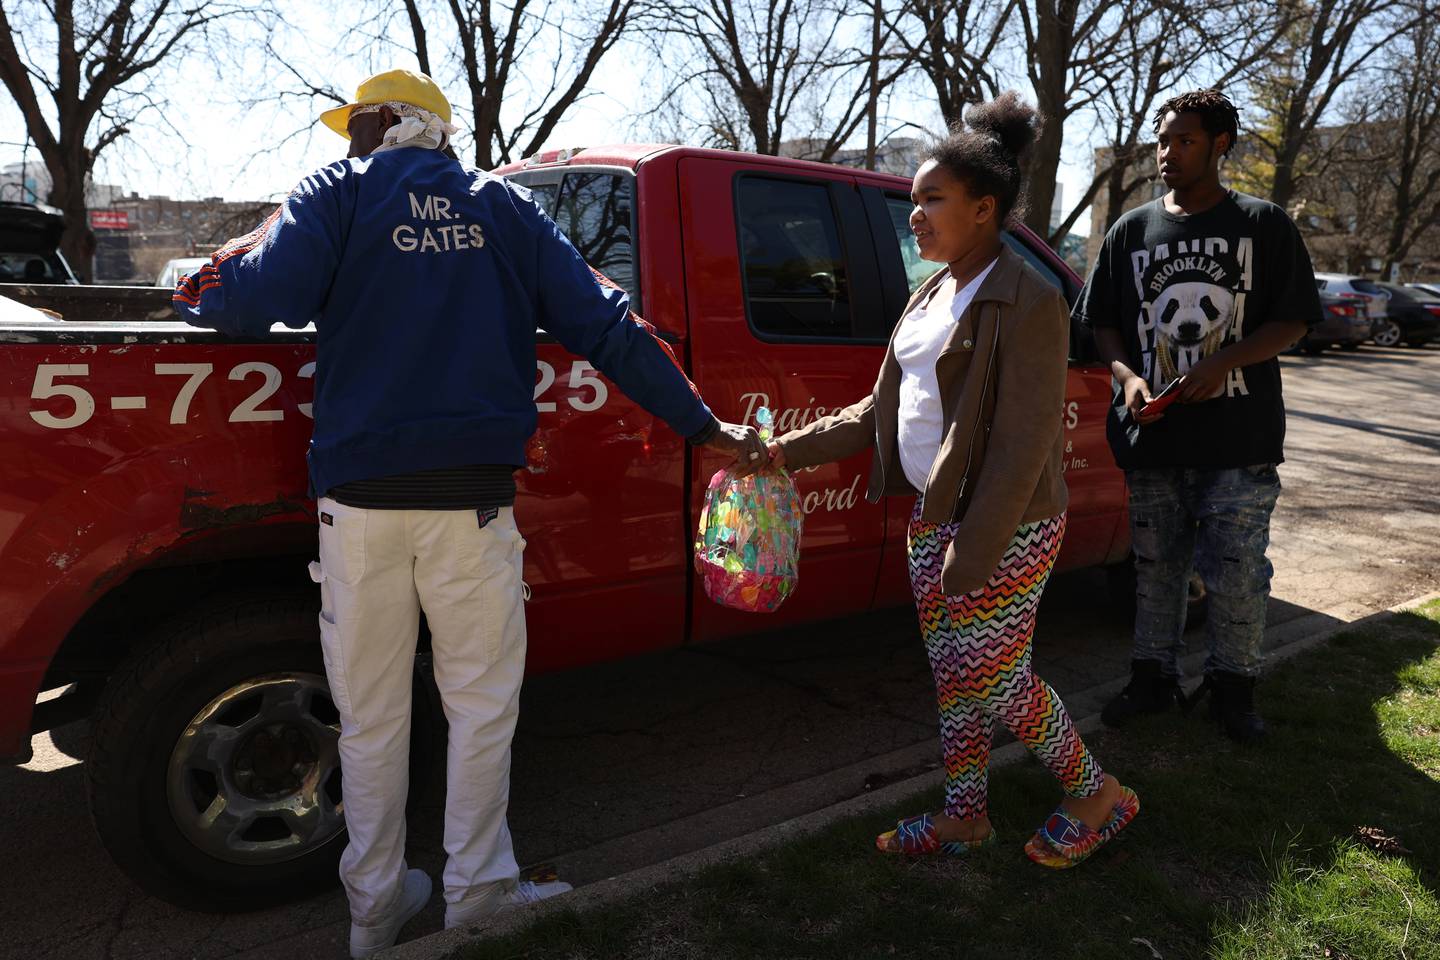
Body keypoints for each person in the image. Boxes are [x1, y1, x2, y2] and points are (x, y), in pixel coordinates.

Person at [173, 68, 765, 957]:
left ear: (382, 123)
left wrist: (195, 287)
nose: (347, 139)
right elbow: (607, 325)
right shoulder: (502, 207)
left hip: (358, 510)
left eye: (356, 123)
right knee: (480, 706)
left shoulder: (334, 192)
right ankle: (479, 892)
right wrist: (702, 424)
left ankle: (374, 913)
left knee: (369, 717)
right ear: (440, 131)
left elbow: (258, 299)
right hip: (471, 510)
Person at [760, 93, 1136, 869]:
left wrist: (974, 549)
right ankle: (966, 815)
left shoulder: (1028, 299)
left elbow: (1026, 444)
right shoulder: (928, 295)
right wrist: (780, 452)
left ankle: (1096, 791)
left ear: (985, 208)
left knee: (994, 676)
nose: (916, 216)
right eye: (913, 201)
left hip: (1006, 524)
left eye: (932, 199)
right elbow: (879, 412)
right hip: (935, 518)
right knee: (955, 678)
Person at [1073, 89, 1316, 742]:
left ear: (1220, 144)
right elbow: (1102, 322)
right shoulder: (1132, 230)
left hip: (1238, 440)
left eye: (1183, 140)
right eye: (1162, 140)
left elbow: (1294, 318)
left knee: (1237, 573)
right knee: (1156, 569)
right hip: (1155, 437)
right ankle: (1152, 680)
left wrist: (1223, 361)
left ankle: (1233, 690)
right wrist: (1125, 379)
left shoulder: (1262, 224)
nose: (1167, 153)